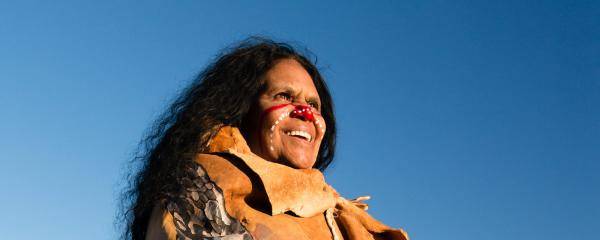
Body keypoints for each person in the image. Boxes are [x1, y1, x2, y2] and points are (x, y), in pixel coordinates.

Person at [122, 37, 409, 240]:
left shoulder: (335, 215)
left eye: (314, 104)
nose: (305, 113)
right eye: (284, 96)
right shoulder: (200, 185)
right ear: (241, 108)